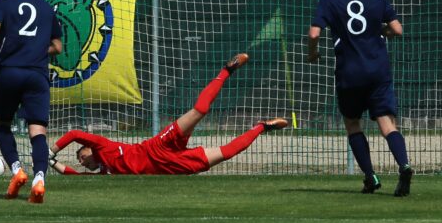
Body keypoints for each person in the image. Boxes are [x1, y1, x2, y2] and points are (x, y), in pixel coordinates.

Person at [47, 53, 288, 175]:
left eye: (82, 154)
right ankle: (262, 127)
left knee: (200, 110)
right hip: (169, 168)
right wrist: (52, 163)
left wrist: (50, 150)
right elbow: (73, 175)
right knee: (226, 153)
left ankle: (227, 70)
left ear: (90, 149)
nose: (81, 160)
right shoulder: (104, 174)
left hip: (157, 147)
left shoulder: (102, 146)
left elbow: (75, 133)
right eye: (79, 160)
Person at [307, 0, 413, 196]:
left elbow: (314, 33)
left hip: (350, 73)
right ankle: (404, 165)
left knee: (353, 123)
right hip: (378, 70)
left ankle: (370, 176)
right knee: (387, 124)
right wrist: (381, 32)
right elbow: (397, 30)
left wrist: (312, 53)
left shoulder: (329, 1)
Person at [0, 0, 63, 203]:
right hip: (37, 74)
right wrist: (37, 49)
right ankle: (40, 178)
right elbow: (57, 46)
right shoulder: (46, 8)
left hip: (9, 72)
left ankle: (17, 171)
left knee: (2, 123)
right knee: (37, 129)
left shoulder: (1, 2)